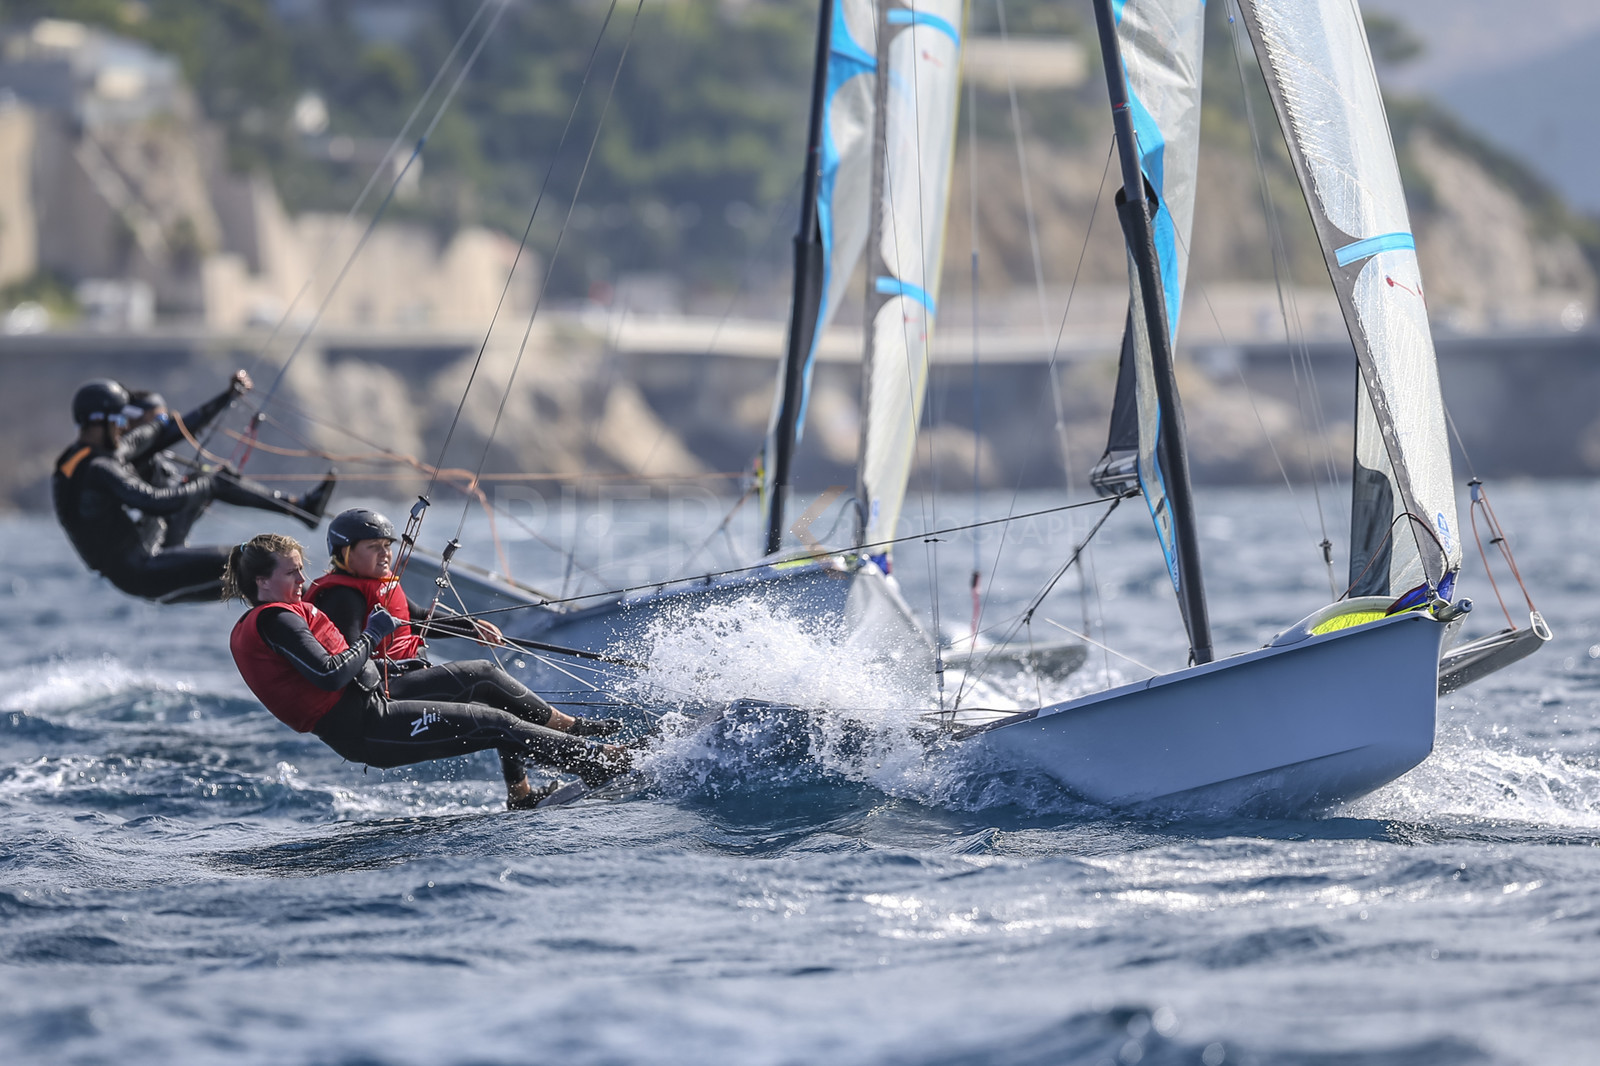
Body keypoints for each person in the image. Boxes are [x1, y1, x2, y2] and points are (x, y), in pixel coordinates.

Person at [224, 533, 631, 809]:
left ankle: (563, 767)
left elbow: (335, 667)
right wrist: (372, 636)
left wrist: (383, 659)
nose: (302, 578)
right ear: (262, 581)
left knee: (483, 686)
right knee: (494, 723)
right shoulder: (274, 619)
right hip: (363, 725)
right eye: (291, 572)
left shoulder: (280, 616)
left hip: (371, 704)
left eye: (300, 568)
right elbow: (330, 674)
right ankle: (599, 762)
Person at [305, 509, 623, 783]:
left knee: (500, 709)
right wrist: (395, 667)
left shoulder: (375, 584)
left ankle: (523, 791)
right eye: (373, 547)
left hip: (403, 680)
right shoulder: (341, 596)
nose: (385, 553)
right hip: (383, 693)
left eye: (387, 546)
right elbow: (348, 657)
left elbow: (416, 618)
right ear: (345, 553)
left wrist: (470, 628)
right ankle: (578, 736)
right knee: (482, 675)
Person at [51, 376, 337, 604]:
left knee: (255, 583)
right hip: (142, 570)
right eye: (118, 421)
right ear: (101, 421)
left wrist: (226, 398)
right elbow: (156, 503)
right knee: (254, 561)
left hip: (145, 553)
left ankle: (302, 512)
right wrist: (206, 485)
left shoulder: (84, 455)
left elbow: (157, 434)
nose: (124, 428)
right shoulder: (98, 469)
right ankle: (325, 610)